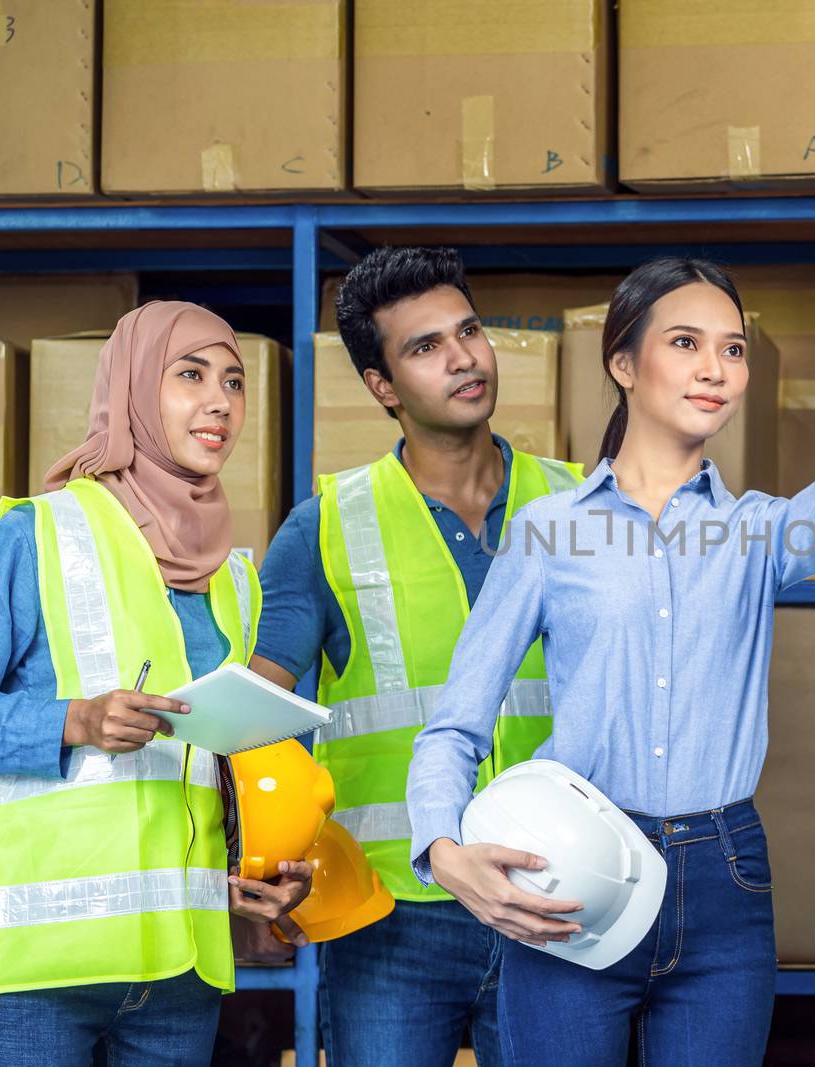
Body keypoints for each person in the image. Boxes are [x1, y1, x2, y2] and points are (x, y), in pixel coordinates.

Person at [406, 255, 815, 1066]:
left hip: (725, 878)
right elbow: (456, 723)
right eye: (688, 342)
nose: (716, 370)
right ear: (623, 363)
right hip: (571, 870)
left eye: (733, 350)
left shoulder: (756, 531)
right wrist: (444, 853)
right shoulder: (550, 532)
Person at [0, 302, 313, 1066]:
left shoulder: (237, 579)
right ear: (129, 388)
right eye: (189, 374)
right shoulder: (39, 532)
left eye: (234, 380)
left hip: (180, 970)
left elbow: (220, 766)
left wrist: (259, 865)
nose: (220, 400)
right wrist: (77, 721)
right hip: (43, 966)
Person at [247, 246, 582, 1067]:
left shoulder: (580, 502)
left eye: (469, 330)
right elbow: (259, 718)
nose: (464, 357)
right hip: (394, 916)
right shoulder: (325, 524)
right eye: (425, 346)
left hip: (562, 896)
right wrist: (265, 869)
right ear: (382, 386)